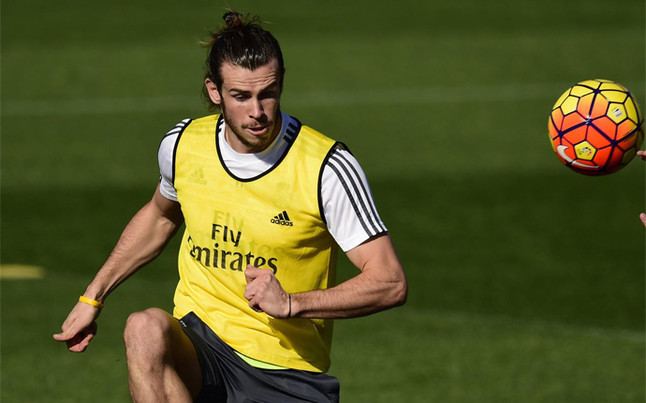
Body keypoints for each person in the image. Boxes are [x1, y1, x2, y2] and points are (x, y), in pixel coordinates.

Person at [53, 11, 407, 402]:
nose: (257, 111)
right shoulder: (183, 145)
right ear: (214, 91)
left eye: (268, 93)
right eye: (241, 96)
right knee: (143, 328)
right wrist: (93, 296)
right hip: (202, 346)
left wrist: (292, 304)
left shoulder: (326, 168)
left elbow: (389, 281)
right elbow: (160, 216)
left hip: (285, 373)